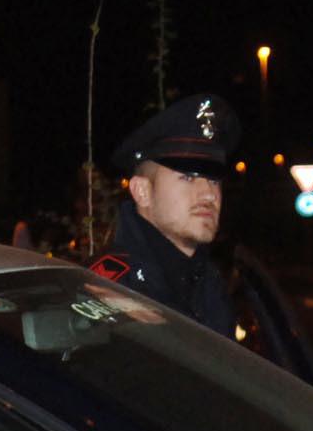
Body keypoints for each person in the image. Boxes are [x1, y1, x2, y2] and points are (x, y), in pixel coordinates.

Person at [92, 92, 240, 337]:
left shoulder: (209, 282)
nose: (209, 194)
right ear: (142, 191)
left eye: (214, 180)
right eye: (187, 177)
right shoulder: (109, 288)